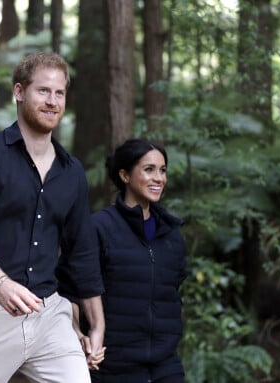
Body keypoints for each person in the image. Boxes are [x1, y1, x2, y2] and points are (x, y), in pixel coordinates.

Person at [0, 51, 105, 383]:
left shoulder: (71, 171)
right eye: (43, 91)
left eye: (59, 93)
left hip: (50, 315)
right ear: (19, 92)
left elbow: (82, 252)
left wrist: (97, 324)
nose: (52, 101)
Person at [74, 138, 188, 383]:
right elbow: (74, 291)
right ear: (124, 175)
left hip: (166, 366)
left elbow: (173, 292)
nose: (159, 178)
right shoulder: (98, 228)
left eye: (163, 170)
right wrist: (80, 335)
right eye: (149, 170)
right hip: (112, 367)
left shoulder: (172, 234)